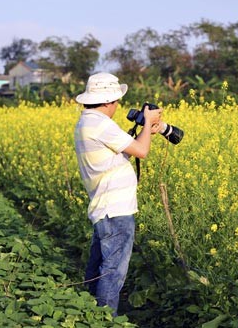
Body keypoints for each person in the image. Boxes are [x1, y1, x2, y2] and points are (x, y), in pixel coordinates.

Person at [73, 72, 162, 316]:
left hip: (104, 207)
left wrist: (146, 130)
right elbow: (142, 151)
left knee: (98, 266)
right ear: (109, 102)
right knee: (113, 271)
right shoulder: (100, 124)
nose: (117, 106)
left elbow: (122, 149)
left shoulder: (87, 121)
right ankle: (104, 319)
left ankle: (88, 314)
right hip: (115, 210)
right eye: (117, 101)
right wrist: (147, 122)